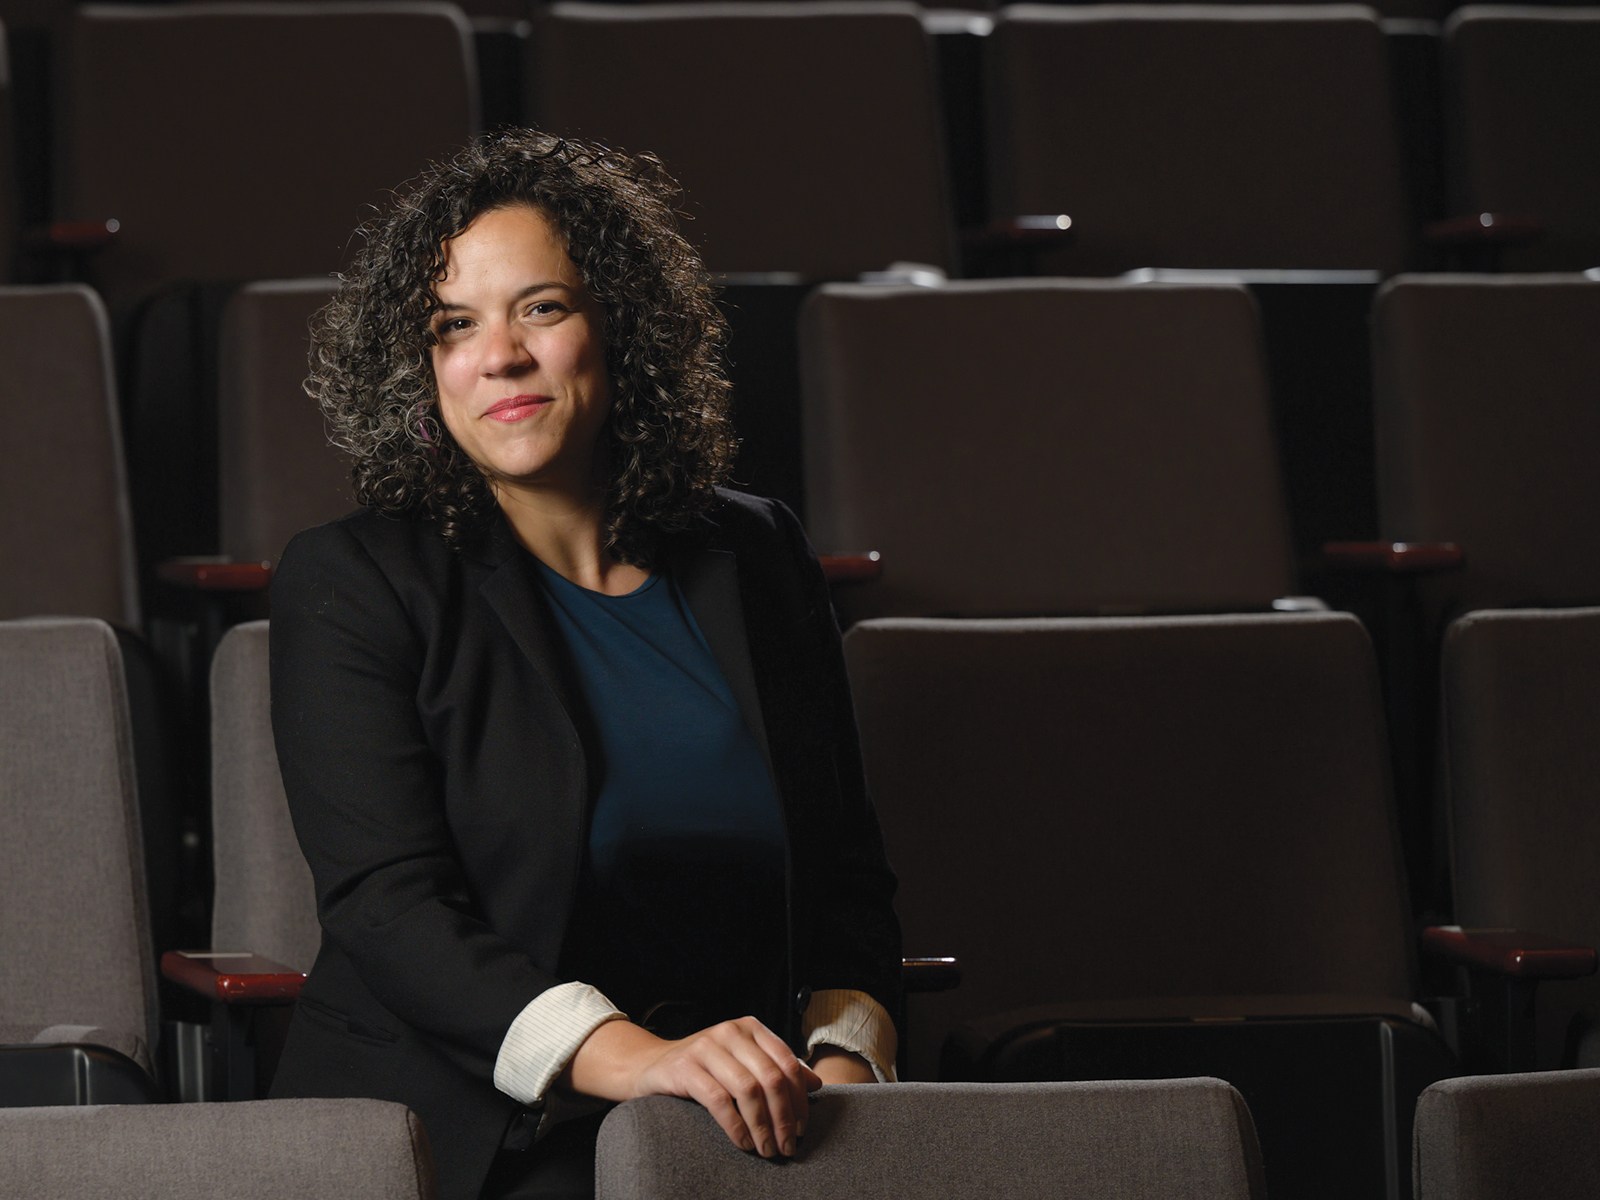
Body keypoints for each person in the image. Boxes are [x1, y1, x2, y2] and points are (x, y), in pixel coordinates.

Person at [266, 129, 902, 1200]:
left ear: (620, 327)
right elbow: (390, 911)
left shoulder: (757, 554)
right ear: (422, 368)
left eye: (541, 309)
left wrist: (844, 1071)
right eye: (454, 325)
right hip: (471, 1133)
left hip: (748, 1118)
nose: (500, 356)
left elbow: (847, 879)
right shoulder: (353, 582)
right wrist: (642, 1063)